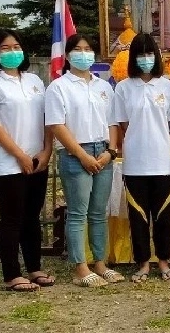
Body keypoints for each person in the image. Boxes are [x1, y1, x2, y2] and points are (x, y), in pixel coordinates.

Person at [0, 31, 55, 292]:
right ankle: (11, 273)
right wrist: (19, 154)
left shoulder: (34, 81)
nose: (12, 52)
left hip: (37, 160)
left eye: (16, 46)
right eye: (5, 48)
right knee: (12, 218)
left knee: (32, 217)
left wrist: (46, 150)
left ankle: (34, 268)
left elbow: (47, 119)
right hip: (8, 164)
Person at [45, 34, 124, 287]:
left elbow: (112, 121)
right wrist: (82, 155)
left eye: (88, 49)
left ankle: (99, 263)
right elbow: (57, 124)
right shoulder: (59, 87)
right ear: (67, 56)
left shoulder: (103, 86)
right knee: (78, 213)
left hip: (103, 152)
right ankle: (80, 267)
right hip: (75, 154)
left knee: (99, 212)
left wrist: (110, 151)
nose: (83, 54)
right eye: (77, 50)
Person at [111, 33, 170, 282]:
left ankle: (163, 261)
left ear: (157, 56)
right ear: (133, 58)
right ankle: (142, 264)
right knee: (138, 217)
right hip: (135, 163)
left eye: (150, 53)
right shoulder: (123, 87)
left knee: (163, 216)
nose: (146, 59)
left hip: (163, 161)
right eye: (140, 54)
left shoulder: (168, 86)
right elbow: (123, 125)